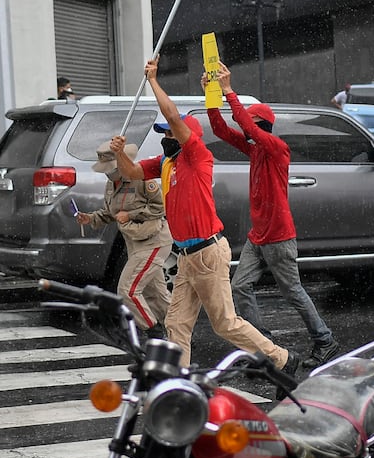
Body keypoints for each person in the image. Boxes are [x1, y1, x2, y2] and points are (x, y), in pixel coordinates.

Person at [108, 59, 298, 374]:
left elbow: (172, 114)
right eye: (163, 134)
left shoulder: (197, 155)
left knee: (225, 324)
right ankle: (177, 379)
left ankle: (280, 359)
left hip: (208, 253)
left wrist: (154, 80)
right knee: (177, 322)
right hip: (187, 257)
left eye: (169, 133)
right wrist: (118, 153)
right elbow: (131, 171)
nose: (165, 137)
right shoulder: (166, 162)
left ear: (184, 136)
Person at [206, 63, 341, 369]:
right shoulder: (256, 149)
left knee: (293, 291)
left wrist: (230, 92)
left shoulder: (276, 147)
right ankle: (263, 346)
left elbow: (248, 128)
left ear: (263, 126)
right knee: (240, 286)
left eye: (252, 124)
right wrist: (211, 94)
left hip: (279, 236)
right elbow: (220, 130)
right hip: (259, 235)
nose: (246, 130)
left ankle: (325, 340)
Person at [76, 141, 172, 337]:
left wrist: (132, 214)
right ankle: (179, 334)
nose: (108, 175)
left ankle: (153, 331)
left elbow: (160, 208)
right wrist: (91, 218)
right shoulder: (111, 185)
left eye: (110, 170)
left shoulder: (142, 178)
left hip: (153, 240)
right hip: (134, 243)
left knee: (127, 290)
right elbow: (110, 213)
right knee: (156, 295)